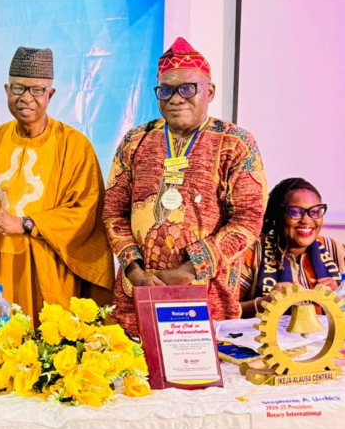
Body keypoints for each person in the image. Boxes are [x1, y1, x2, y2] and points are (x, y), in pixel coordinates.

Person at [103, 37, 267, 337]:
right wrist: (135, 270)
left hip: (207, 294)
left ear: (210, 91)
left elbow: (249, 217)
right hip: (138, 292)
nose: (176, 98)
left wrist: (189, 270)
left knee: (202, 375)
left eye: (187, 88)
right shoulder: (135, 141)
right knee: (135, 376)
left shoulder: (234, 143)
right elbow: (114, 212)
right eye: (165, 90)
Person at [0, 47, 114, 333]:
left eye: (36, 90)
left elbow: (87, 211)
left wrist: (25, 223)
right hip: (0, 272)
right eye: (18, 88)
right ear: (7, 89)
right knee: (3, 357)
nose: (26, 98)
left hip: (52, 273)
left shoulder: (74, 146)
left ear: (51, 94)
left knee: (52, 357)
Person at [239, 178, 344, 317]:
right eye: (295, 212)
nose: (306, 220)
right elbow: (222, 311)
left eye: (315, 211)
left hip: (327, 337)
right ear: (279, 214)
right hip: (265, 337)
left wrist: (338, 297)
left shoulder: (336, 250)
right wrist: (265, 303)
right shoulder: (251, 252)